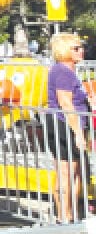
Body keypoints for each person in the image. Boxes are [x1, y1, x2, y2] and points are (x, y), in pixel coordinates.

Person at [45, 31, 91, 222]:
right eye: (76, 48)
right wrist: (78, 133)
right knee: (69, 173)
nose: (81, 51)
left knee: (70, 172)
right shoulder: (63, 71)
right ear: (65, 50)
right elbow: (66, 103)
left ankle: (66, 215)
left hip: (62, 123)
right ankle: (66, 217)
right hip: (65, 124)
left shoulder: (65, 70)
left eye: (81, 47)